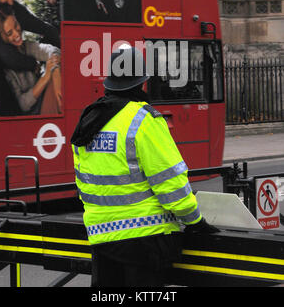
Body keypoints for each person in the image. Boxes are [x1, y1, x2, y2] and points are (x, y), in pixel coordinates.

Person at [71, 45, 219, 287]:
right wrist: (195, 221)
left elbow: (84, 183)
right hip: (144, 241)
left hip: (101, 238)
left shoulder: (89, 121)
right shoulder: (144, 120)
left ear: (109, 82)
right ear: (142, 83)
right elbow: (170, 184)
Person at [0, 0, 60, 115]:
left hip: (34, 97)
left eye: (17, 26)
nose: (10, 1)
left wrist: (54, 69)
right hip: (8, 102)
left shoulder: (15, 12)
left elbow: (45, 29)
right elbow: (9, 58)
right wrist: (35, 65)